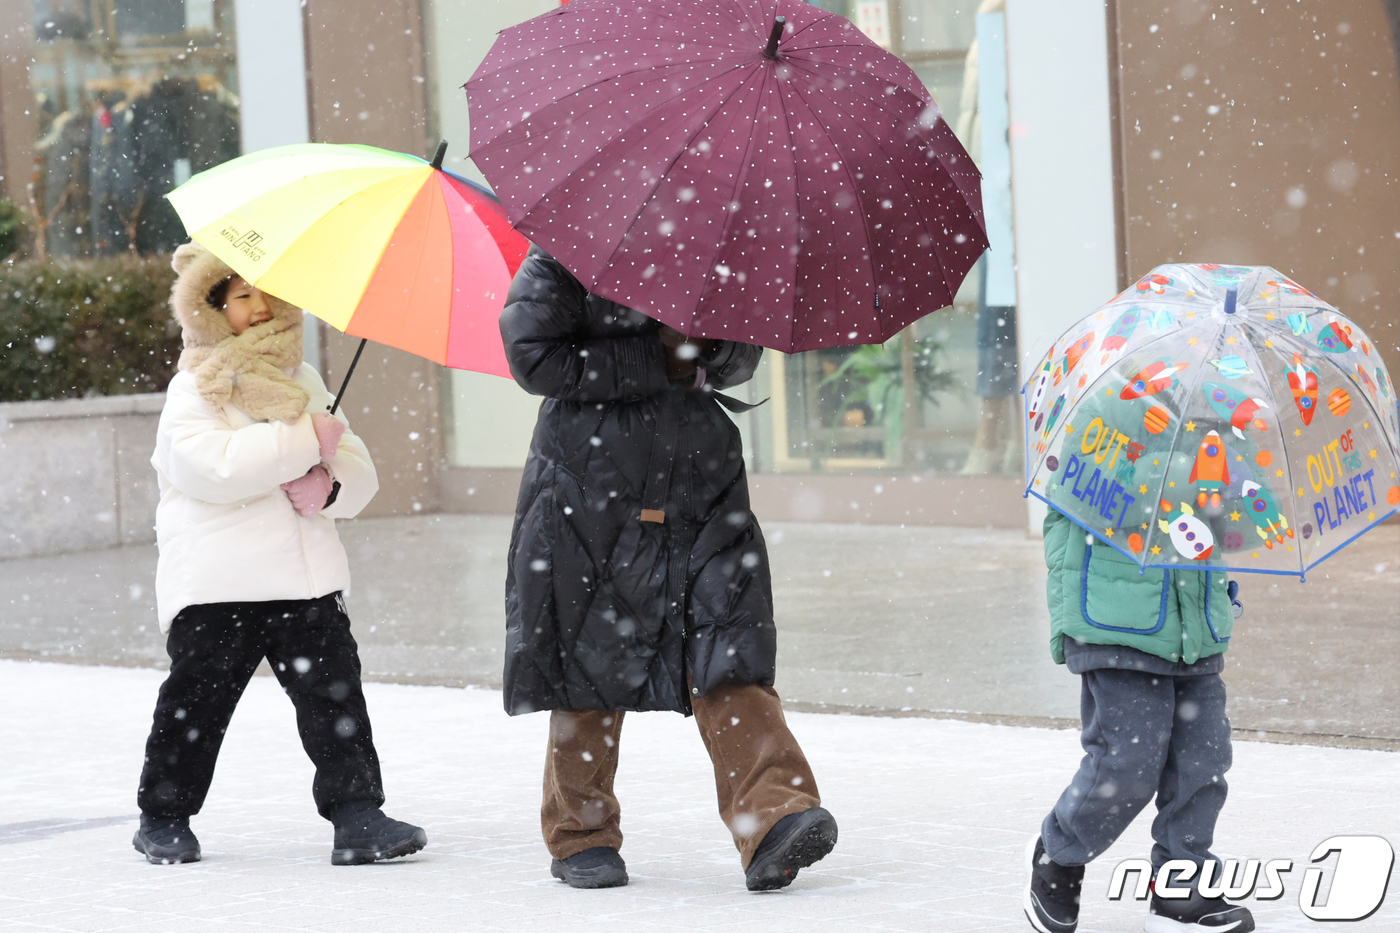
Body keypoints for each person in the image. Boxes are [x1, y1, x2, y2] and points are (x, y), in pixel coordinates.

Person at [499, 246, 837, 892]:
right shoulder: (569, 250)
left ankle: (772, 815)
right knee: (590, 655)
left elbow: (745, 354)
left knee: (727, 640)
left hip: (699, 477)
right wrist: (652, 357)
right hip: (591, 481)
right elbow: (532, 353)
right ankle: (580, 830)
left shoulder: (720, 245)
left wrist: (705, 349)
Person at [133, 242, 426, 866]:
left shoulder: (305, 380)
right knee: (197, 705)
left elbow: (358, 468)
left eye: (267, 293)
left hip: (305, 578)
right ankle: (163, 816)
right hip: (219, 583)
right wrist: (300, 443)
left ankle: (358, 816)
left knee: (335, 700)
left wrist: (330, 484)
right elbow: (211, 467)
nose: (260, 307)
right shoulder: (194, 388)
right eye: (242, 296)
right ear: (211, 309)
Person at [1024, 389, 1256, 933]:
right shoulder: (1109, 407)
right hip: (1119, 624)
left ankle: (1183, 887)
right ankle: (1059, 857)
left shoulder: (1218, 418)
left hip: (1194, 626)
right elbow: (1115, 501)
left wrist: (1230, 482)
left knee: (1201, 765)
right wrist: (1193, 465)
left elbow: (1234, 525)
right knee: (1126, 765)